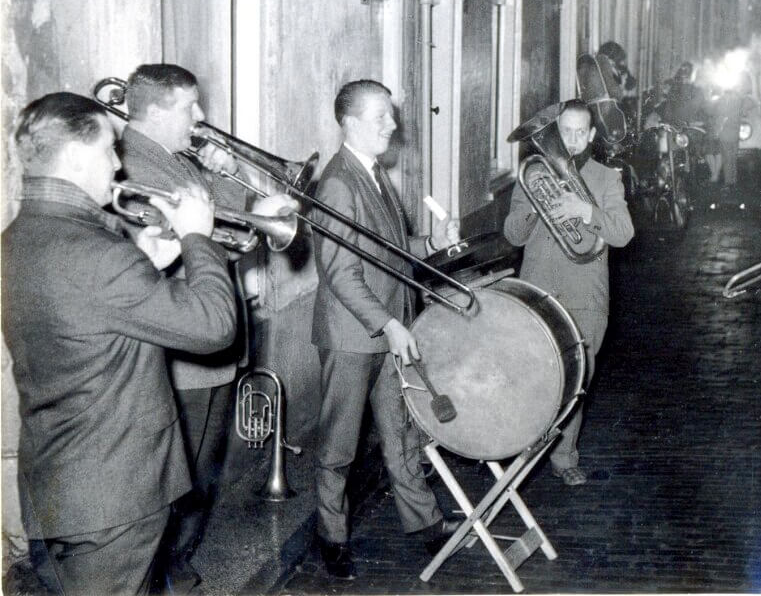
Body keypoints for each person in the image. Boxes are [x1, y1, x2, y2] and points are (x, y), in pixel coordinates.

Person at [2, 92, 237, 596]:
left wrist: (144, 265)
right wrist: (199, 238)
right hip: (115, 493)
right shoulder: (99, 254)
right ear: (78, 156)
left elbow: (77, 316)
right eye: (111, 149)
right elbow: (214, 325)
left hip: (55, 484)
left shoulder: (18, 238)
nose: (117, 162)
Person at [118, 63, 295, 592]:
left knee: (200, 471)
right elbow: (172, 255)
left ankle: (179, 562)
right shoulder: (132, 166)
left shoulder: (177, 160)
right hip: (182, 354)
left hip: (211, 347)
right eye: (189, 106)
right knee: (178, 477)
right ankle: (166, 572)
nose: (200, 116)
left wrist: (218, 178)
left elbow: (230, 223)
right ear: (153, 111)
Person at [310, 80, 461, 579]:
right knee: (339, 445)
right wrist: (389, 323)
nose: (392, 125)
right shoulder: (337, 182)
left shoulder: (373, 173)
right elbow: (340, 273)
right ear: (349, 123)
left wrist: (431, 242)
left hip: (389, 329)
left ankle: (424, 523)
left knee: (400, 430)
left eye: (390, 116)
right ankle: (330, 537)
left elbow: (388, 257)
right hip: (353, 336)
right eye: (380, 117)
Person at [503, 100, 634, 485]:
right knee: (532, 376)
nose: (573, 141)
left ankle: (564, 457)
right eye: (566, 132)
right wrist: (535, 208)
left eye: (581, 133)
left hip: (586, 295)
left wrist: (584, 210)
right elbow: (513, 234)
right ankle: (521, 450)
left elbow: (624, 234)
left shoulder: (608, 178)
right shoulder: (531, 175)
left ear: (592, 136)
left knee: (577, 381)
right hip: (538, 291)